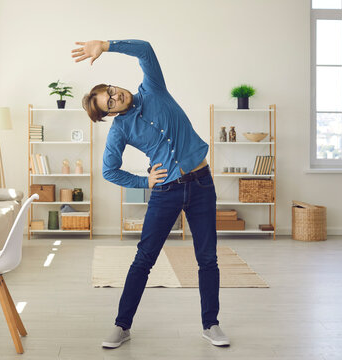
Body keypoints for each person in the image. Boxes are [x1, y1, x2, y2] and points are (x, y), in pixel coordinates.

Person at [72, 39, 230, 349]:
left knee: (207, 257)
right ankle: (122, 325)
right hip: (166, 191)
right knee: (144, 259)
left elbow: (144, 49)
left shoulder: (153, 88)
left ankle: (211, 324)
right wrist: (145, 183)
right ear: (109, 114)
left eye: (112, 91)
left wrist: (105, 45)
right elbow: (109, 170)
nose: (117, 97)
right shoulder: (120, 130)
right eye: (110, 103)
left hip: (201, 184)